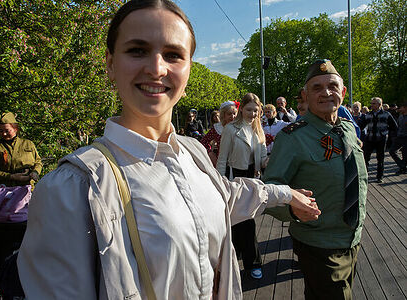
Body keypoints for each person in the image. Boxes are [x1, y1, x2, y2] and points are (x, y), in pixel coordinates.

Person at [17, 1, 320, 299]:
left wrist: (285, 194)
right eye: (137, 50)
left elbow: (223, 198)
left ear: (188, 71)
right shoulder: (74, 188)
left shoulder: (192, 153)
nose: (156, 68)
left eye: (173, 55)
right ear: (110, 63)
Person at [263, 59, 368, 300]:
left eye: (332, 86)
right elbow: (269, 191)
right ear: (305, 96)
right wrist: (294, 210)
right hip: (319, 244)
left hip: (352, 239)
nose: (326, 93)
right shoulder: (292, 138)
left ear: (342, 92)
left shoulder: (348, 130)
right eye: (317, 88)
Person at [216, 93, 269, 280]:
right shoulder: (231, 129)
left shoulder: (257, 129)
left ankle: (236, 257)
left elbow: (262, 158)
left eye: (256, 110)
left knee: (242, 220)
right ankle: (253, 262)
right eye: (249, 110)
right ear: (241, 110)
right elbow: (222, 158)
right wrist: (220, 182)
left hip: (252, 177)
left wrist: (271, 160)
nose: (252, 114)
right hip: (234, 177)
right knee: (246, 221)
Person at [0, 112, 42, 188]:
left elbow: (38, 162)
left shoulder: (28, 144)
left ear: (15, 129)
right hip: (5, 190)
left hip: (27, 188)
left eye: (7, 130)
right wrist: (11, 176)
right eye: (1, 131)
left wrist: (35, 172)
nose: (4, 134)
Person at [360, 97, 398, 183]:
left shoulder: (386, 114)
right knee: (366, 158)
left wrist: (385, 133)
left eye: (374, 103)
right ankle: (365, 176)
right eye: (371, 103)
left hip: (381, 139)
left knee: (380, 159)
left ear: (379, 105)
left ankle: (379, 176)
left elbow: (394, 126)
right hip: (369, 138)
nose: (371, 105)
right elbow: (361, 126)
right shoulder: (368, 115)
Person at [200, 101, 238, 167]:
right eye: (229, 114)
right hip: (221, 163)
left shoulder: (239, 127)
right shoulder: (217, 128)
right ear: (223, 115)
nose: (232, 116)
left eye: (234, 113)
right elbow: (203, 142)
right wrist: (210, 153)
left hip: (238, 163)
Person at [389, 101, 407, 174]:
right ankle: (402, 166)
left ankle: (402, 168)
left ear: (405, 108)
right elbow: (398, 127)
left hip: (406, 138)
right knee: (392, 151)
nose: (400, 109)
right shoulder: (401, 116)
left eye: (401, 107)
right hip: (399, 137)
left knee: (405, 155)